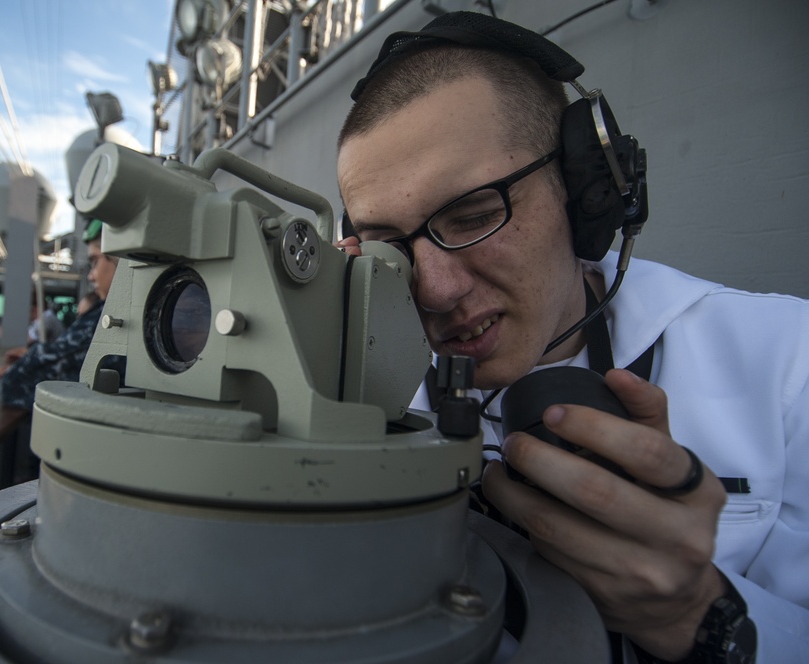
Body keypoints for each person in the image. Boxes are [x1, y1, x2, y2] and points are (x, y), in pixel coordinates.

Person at [336, 12, 808, 663]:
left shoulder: (790, 362)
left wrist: (698, 614)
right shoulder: (349, 400)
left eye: (473, 214)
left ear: (589, 188)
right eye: (391, 247)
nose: (435, 290)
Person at [0, 219, 122, 410]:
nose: (91, 276)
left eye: (95, 261)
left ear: (121, 261)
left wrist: (32, 358)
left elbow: (14, 384)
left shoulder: (109, 319)